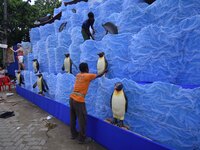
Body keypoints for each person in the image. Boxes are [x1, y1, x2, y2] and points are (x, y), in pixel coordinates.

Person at [70, 62, 106, 144]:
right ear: (86, 69)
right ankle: (82, 139)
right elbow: (98, 75)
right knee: (82, 120)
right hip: (79, 100)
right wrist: (104, 71)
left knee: (73, 118)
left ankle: (73, 135)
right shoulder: (88, 75)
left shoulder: (78, 75)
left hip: (72, 98)